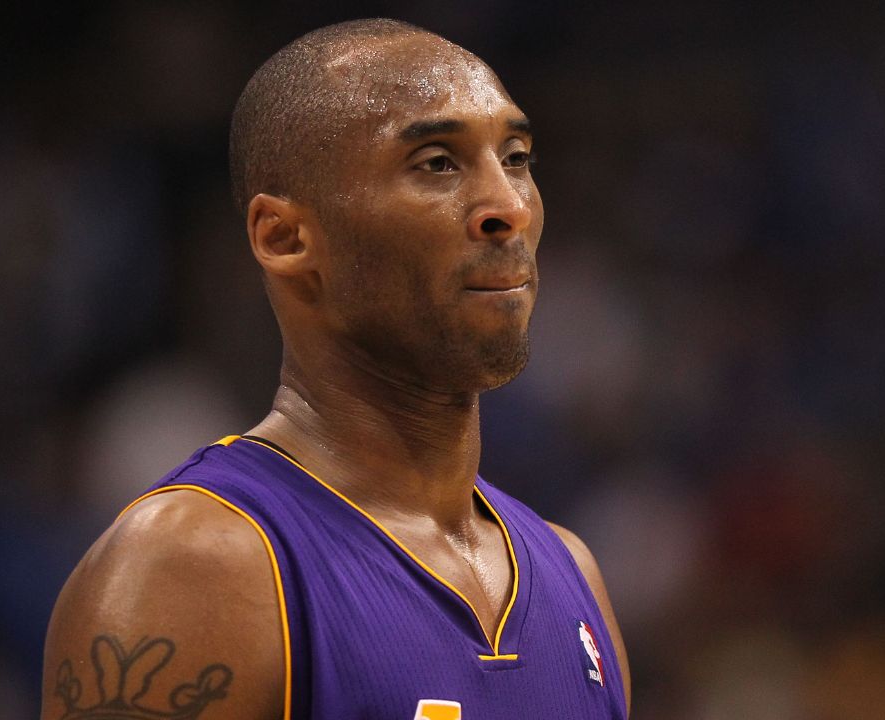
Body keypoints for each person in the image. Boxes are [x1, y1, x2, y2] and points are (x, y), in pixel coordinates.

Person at [41, 19, 629, 720]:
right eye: (438, 162)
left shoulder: (572, 573)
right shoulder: (195, 567)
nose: (508, 206)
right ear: (285, 238)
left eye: (517, 156)